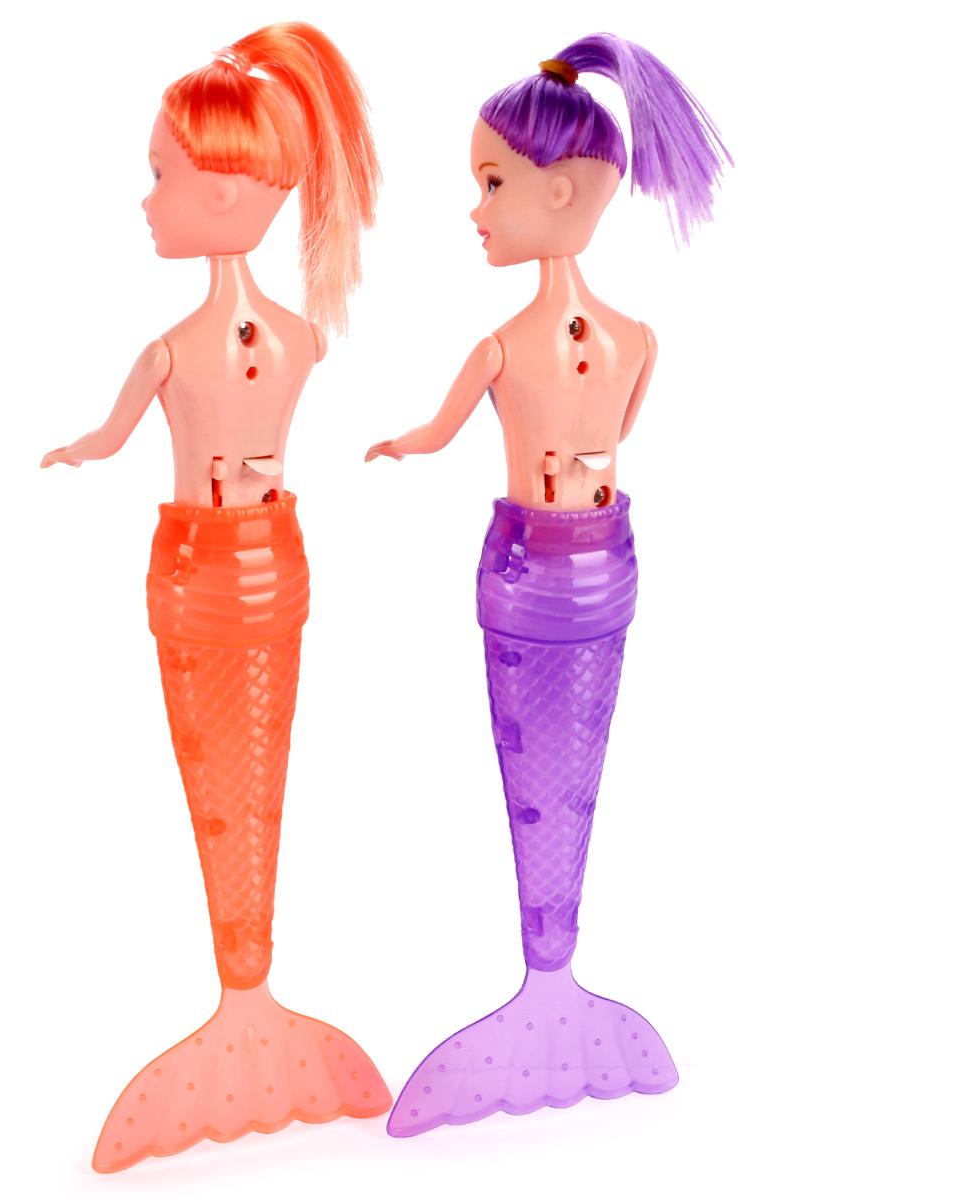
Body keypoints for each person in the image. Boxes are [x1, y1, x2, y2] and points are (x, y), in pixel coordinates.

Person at [367, 32, 731, 1137]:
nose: (475, 211)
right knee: (556, 779)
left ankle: (550, 973)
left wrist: (405, 445)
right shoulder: (637, 342)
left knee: (556, 777)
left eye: (491, 184)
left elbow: (442, 433)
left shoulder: (508, 345)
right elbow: (608, 439)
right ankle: (550, 972)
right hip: (585, 566)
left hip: (543, 574)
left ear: (561, 190)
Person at [42, 22, 388, 1171]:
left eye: (160, 175)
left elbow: (111, 435)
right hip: (249, 569)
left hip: (215, 575)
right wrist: (85, 448)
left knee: (240, 788)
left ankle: (248, 989)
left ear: (231, 193)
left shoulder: (178, 349)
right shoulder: (297, 339)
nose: (146, 201)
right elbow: (111, 435)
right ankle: (248, 988)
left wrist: (84, 450)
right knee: (238, 790)